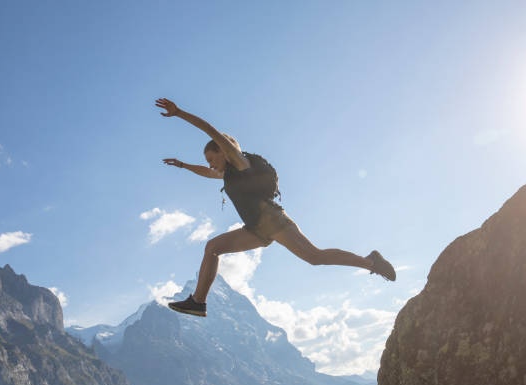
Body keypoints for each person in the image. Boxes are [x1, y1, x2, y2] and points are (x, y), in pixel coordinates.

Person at [155, 98, 396, 317]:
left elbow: (210, 130)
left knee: (315, 257)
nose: (210, 165)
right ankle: (198, 302)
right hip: (255, 229)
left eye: (212, 158)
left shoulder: (240, 162)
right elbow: (207, 174)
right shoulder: (228, 174)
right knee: (212, 248)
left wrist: (179, 113)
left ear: (224, 152)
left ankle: (370, 262)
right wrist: (184, 166)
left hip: (272, 220)